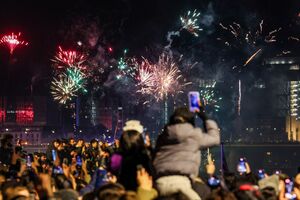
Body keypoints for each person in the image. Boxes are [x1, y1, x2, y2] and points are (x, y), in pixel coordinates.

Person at [153, 107, 220, 200]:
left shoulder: (163, 137)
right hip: (183, 183)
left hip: (159, 183)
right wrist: (205, 117)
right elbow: (215, 139)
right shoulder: (194, 135)